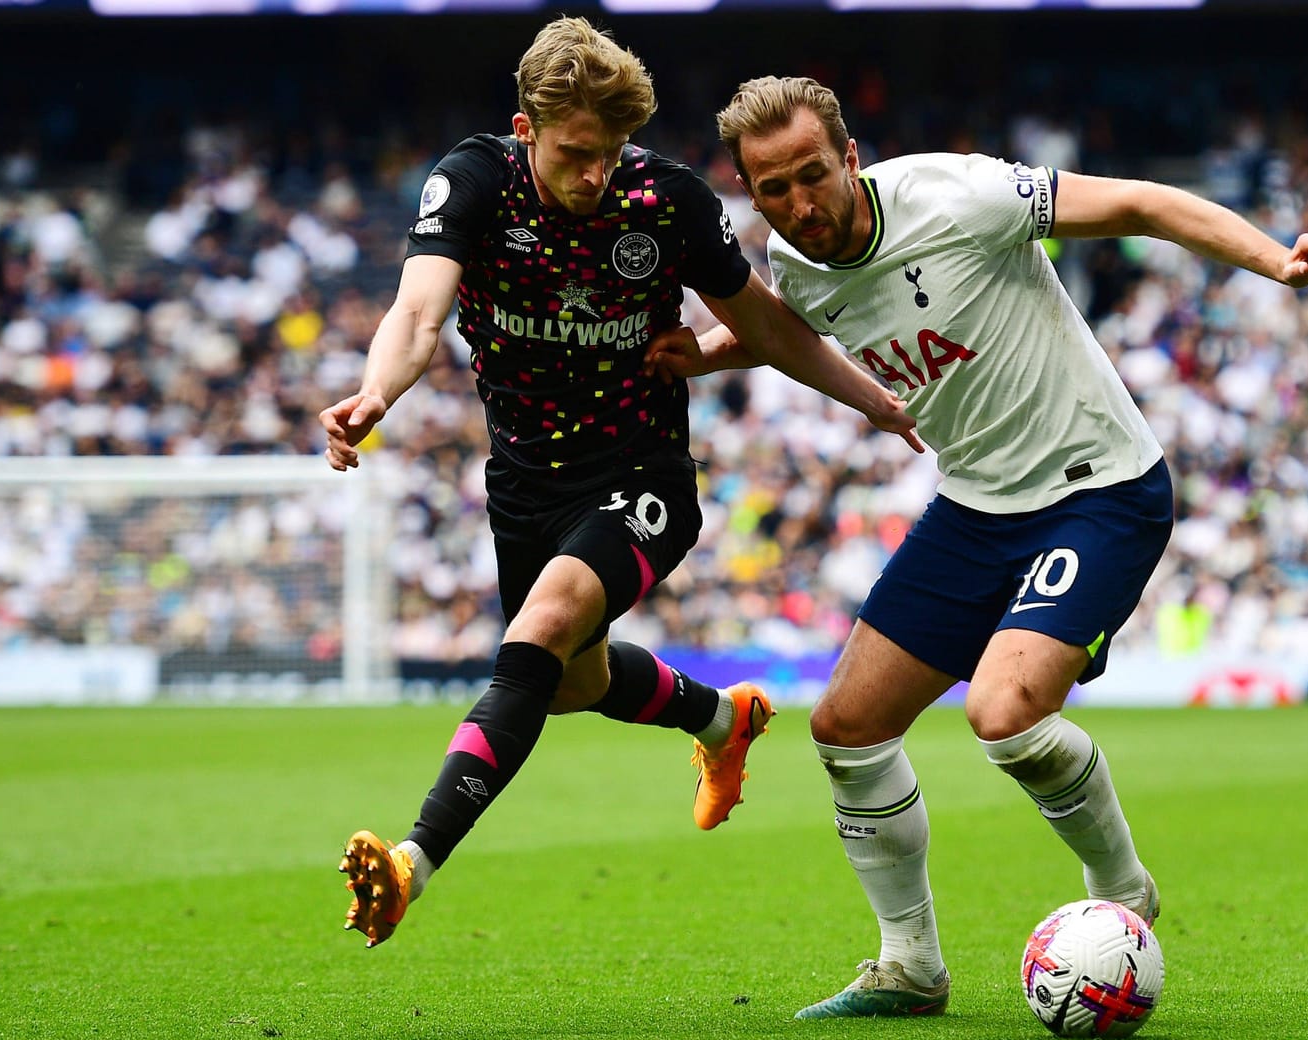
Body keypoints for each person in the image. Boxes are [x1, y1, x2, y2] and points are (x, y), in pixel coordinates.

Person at [651, 75, 1308, 1018]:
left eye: (812, 175)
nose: (798, 204)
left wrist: (1278, 261)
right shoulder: (792, 254)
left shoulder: (961, 196)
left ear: (851, 156)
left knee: (1004, 711)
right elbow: (790, 326)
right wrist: (704, 350)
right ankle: (909, 966)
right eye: (771, 188)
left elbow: (1143, 203)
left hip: (1098, 489)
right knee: (847, 728)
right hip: (976, 504)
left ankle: (1124, 892)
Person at [318, 24, 919, 949]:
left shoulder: (665, 201)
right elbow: (417, 309)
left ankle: (411, 862)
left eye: (608, 154)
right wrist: (377, 393)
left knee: (546, 625)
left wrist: (870, 398)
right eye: (574, 153)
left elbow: (763, 321)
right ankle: (723, 718)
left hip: (642, 475)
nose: (594, 173)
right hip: (524, 483)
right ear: (526, 128)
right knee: (568, 681)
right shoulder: (474, 182)